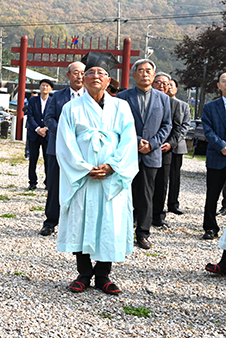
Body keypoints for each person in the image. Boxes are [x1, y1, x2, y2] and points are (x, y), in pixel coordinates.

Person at [56, 52, 138, 295]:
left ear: (109, 80)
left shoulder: (121, 106)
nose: (94, 76)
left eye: (100, 73)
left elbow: (129, 141)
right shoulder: (71, 108)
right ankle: (83, 273)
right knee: (82, 220)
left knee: (109, 222)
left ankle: (103, 274)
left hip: (112, 176)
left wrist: (112, 166)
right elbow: (65, 143)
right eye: (89, 72)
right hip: (84, 176)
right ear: (82, 76)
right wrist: (84, 168)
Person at [117, 59, 171, 250]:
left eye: (148, 71)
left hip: (151, 154)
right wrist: (136, 140)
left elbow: (167, 125)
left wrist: (153, 144)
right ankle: (121, 232)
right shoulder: (122, 97)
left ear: (154, 75)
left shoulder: (163, 98)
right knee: (124, 193)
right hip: (128, 152)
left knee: (147, 195)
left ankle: (143, 233)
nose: (145, 74)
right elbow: (118, 124)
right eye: (140, 70)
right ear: (134, 75)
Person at [40, 61, 85, 236]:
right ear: (68, 76)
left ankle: (78, 224)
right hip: (57, 148)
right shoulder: (58, 96)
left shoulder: (90, 96)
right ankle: (50, 222)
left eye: (82, 73)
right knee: (54, 186)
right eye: (75, 73)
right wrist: (64, 133)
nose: (79, 76)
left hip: (83, 150)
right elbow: (49, 118)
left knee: (81, 187)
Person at [150, 73, 183, 228]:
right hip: (146, 148)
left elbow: (177, 128)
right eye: (158, 82)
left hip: (165, 150)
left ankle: (158, 215)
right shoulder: (147, 99)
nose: (162, 86)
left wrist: (170, 144)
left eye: (166, 83)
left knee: (162, 183)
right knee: (144, 183)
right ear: (152, 83)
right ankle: (139, 214)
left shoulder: (174, 104)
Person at [200, 72, 226, 240]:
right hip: (217, 157)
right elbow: (208, 131)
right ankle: (210, 227)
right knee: (212, 195)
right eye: (224, 81)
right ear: (218, 85)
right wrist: (222, 146)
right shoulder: (210, 107)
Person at [166, 78, 191, 216]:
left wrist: (174, 141)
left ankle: (173, 204)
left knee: (175, 176)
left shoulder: (183, 106)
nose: (168, 87)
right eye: (166, 85)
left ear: (176, 89)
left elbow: (185, 126)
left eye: (171, 85)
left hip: (176, 146)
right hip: (161, 145)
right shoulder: (159, 102)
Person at [25, 79, 52, 190]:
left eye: (47, 86)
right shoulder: (32, 101)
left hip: (47, 135)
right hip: (34, 134)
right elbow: (30, 116)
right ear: (39, 87)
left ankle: (48, 182)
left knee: (48, 160)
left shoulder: (53, 101)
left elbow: (54, 116)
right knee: (33, 159)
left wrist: (46, 128)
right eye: (42, 85)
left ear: (51, 89)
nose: (44, 87)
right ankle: (32, 182)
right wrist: (37, 129)